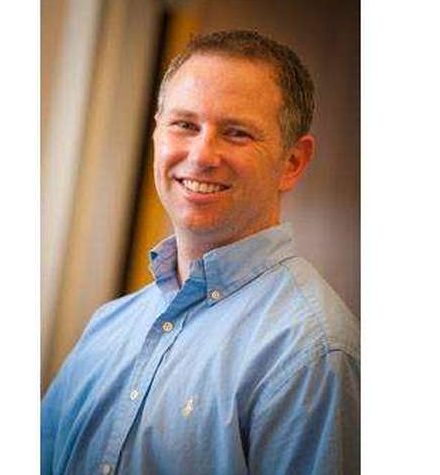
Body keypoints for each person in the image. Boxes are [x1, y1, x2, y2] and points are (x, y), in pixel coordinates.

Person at [41, 30, 359, 475]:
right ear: (157, 134)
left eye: (237, 133)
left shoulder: (312, 353)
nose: (202, 154)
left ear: (293, 162)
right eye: (185, 125)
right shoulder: (107, 327)